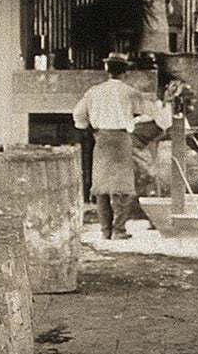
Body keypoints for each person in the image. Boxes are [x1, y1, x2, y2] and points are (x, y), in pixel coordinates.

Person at [72, 55, 169, 239]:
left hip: (101, 139)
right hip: (121, 139)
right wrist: (162, 107)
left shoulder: (94, 91)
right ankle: (119, 230)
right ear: (125, 73)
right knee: (123, 187)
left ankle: (105, 231)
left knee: (101, 187)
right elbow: (152, 112)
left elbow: (78, 114)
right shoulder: (129, 92)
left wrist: (85, 126)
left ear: (107, 71)